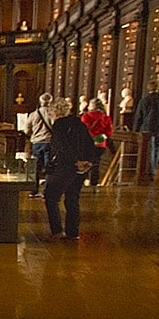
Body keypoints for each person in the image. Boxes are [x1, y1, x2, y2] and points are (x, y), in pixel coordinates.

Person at [44, 97, 98, 240]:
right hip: (81, 169)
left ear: (54, 112)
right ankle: (72, 232)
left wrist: (75, 161)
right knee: (72, 199)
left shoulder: (58, 125)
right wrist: (88, 161)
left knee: (51, 197)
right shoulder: (79, 123)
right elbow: (90, 144)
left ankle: (57, 231)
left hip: (64, 166)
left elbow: (62, 147)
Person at [132, 82, 159, 179]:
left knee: (149, 150)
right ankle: (153, 170)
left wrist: (135, 130)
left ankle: (149, 171)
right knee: (157, 149)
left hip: (146, 128)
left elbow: (139, 116)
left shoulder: (144, 100)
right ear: (158, 88)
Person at [23, 93, 54, 197]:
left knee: (36, 167)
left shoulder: (33, 114)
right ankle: (47, 191)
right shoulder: (53, 114)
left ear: (40, 102)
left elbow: (27, 130)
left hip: (37, 143)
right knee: (49, 167)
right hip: (49, 142)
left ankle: (33, 190)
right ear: (50, 102)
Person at [80, 97, 114, 187]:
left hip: (87, 143)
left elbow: (82, 130)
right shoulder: (106, 118)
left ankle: (82, 181)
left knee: (84, 162)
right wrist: (98, 139)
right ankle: (93, 182)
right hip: (100, 144)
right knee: (96, 163)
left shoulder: (86, 117)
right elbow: (109, 132)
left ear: (92, 106)